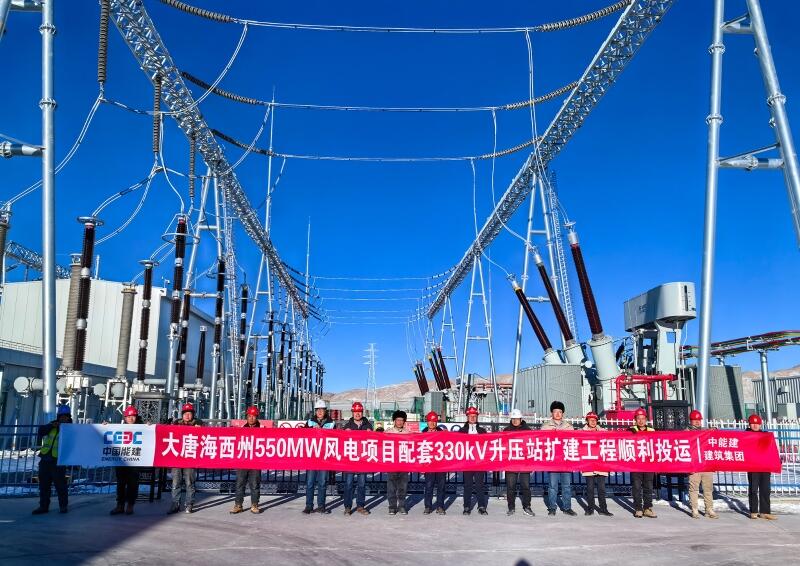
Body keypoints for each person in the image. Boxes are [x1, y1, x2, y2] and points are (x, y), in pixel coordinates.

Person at [32, 404, 72, 515]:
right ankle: (43, 506)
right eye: (61, 416)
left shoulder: (71, 429)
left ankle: (63, 506)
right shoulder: (52, 425)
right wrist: (51, 426)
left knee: (60, 485)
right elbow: (41, 431)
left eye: (65, 416)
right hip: (45, 458)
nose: (63, 418)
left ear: (69, 417)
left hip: (58, 460)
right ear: (58, 416)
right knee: (44, 485)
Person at [541, 401, 576, 516]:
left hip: (565, 459)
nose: (557, 414)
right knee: (552, 486)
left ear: (563, 414)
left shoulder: (568, 426)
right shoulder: (546, 426)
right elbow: (541, 441)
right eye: (555, 411)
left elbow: (574, 440)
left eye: (560, 412)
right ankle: (552, 507)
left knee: (566, 486)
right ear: (552, 413)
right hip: (553, 460)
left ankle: (567, 507)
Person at [168, 403, 203, 514]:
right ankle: (175, 504)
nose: (187, 416)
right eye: (185, 413)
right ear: (182, 414)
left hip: (190, 458)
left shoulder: (198, 424)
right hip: (177, 457)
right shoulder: (176, 423)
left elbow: (205, 436)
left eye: (189, 413)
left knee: (189, 482)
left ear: (193, 415)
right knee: (176, 482)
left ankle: (189, 504)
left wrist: (200, 429)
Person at [302, 399, 335, 514]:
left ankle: (321, 506)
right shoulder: (310, 422)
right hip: (312, 456)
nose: (320, 412)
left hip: (324, 457)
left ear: (325, 411)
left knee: (322, 482)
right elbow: (303, 435)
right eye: (318, 410)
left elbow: (335, 438)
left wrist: (324, 432)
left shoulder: (331, 423)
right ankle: (309, 506)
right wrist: (311, 430)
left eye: (322, 409)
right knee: (310, 482)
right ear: (315, 411)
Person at [110, 406, 143, 516]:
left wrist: (149, 426)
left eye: (133, 416)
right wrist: (104, 426)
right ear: (125, 418)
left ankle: (130, 505)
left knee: (132, 483)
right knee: (121, 483)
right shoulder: (120, 428)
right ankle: (120, 505)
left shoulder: (142, 428)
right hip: (121, 460)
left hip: (135, 461)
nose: (131, 419)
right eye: (128, 417)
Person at [341, 401, 372, 516]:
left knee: (362, 484)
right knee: (348, 484)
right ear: (352, 413)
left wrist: (371, 434)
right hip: (350, 460)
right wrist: (345, 433)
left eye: (359, 412)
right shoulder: (347, 426)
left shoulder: (368, 425)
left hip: (362, 460)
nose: (357, 414)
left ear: (362, 413)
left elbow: (374, 442)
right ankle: (347, 506)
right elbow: (341, 442)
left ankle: (360, 506)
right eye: (355, 412)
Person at [230, 406, 263, 515]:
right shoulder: (241, 429)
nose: (251, 418)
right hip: (243, 461)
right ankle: (238, 505)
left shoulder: (262, 430)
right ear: (246, 417)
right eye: (249, 416)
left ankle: (254, 505)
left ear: (257, 417)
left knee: (254, 484)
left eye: (254, 416)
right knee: (240, 483)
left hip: (256, 461)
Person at [687, 410, 717, 519]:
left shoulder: (705, 431)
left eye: (699, 420)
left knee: (708, 488)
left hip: (706, 464)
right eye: (695, 420)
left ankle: (709, 509)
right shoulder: (685, 433)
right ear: (690, 421)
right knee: (693, 488)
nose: (697, 422)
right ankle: (694, 509)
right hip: (693, 464)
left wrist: (714, 430)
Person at [458, 406, 488, 515]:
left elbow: (487, 444)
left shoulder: (482, 431)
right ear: (467, 417)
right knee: (468, 485)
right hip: (467, 462)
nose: (472, 418)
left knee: (480, 485)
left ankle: (481, 506)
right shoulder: (462, 431)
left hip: (479, 462)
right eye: (470, 416)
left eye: (474, 416)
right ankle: (466, 506)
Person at [503, 409, 534, 516]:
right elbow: (502, 445)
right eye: (513, 419)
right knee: (510, 486)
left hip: (524, 463)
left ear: (521, 419)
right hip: (511, 463)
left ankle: (527, 506)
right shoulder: (506, 430)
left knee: (525, 486)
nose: (515, 421)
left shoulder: (528, 431)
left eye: (517, 419)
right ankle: (511, 507)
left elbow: (532, 446)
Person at [582, 411, 612, 516]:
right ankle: (590, 508)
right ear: (587, 421)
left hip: (601, 463)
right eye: (591, 420)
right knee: (590, 488)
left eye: (595, 420)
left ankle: (603, 509)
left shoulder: (604, 432)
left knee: (601, 488)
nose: (593, 422)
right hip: (588, 463)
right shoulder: (582, 433)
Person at [746, 414, 776, 520]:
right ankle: (753, 511)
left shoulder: (765, 435)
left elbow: (772, 449)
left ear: (760, 424)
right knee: (753, 489)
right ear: (749, 424)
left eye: (757, 423)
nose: (755, 425)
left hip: (765, 466)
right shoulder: (745, 435)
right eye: (753, 423)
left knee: (765, 489)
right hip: (753, 466)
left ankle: (765, 512)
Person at [629, 408, 657, 518]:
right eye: (638, 419)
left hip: (648, 463)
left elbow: (656, 445)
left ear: (646, 419)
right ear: (635, 420)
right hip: (635, 464)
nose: (641, 421)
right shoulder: (630, 430)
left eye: (643, 418)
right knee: (636, 487)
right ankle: (638, 508)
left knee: (648, 487)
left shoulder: (652, 430)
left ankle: (647, 508)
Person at [385, 410, 411, 515]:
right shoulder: (388, 432)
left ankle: (402, 506)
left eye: (401, 420)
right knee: (391, 486)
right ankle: (392, 506)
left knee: (403, 486)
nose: (399, 422)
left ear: (404, 421)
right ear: (394, 421)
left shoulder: (408, 433)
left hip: (404, 463)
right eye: (398, 420)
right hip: (392, 463)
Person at [422, 411, 446, 515]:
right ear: (427, 422)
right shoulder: (422, 434)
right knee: (429, 486)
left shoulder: (442, 433)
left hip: (440, 464)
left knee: (441, 486)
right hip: (428, 464)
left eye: (434, 421)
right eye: (430, 421)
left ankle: (440, 506)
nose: (432, 423)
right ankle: (428, 506)